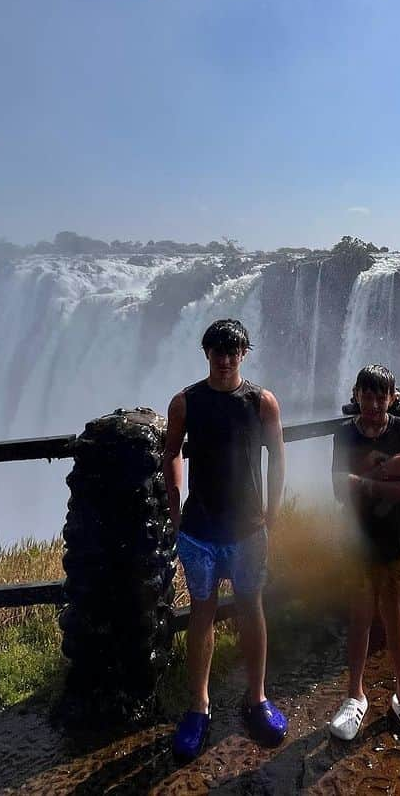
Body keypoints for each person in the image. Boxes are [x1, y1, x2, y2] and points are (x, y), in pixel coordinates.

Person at [163, 318, 288, 762]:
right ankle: (198, 705)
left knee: (251, 608)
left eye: (233, 349)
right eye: (218, 349)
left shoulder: (261, 402)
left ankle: (256, 698)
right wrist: (176, 510)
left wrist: (272, 511)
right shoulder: (187, 402)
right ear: (207, 353)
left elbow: (277, 456)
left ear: (244, 353)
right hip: (199, 529)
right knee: (203, 612)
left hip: (248, 529)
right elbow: (172, 451)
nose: (225, 357)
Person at [328, 363, 400, 743]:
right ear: (356, 394)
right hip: (359, 541)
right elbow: (339, 489)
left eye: (381, 396)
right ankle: (355, 695)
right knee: (359, 617)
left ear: (392, 398)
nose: (373, 403)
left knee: (394, 616)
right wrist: (387, 471)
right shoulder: (345, 435)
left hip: (396, 539)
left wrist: (365, 482)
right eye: (367, 395)